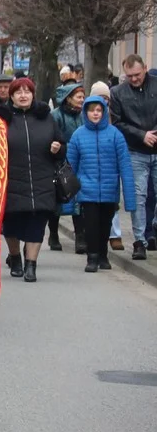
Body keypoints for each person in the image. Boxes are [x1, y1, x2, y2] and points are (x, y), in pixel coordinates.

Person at [0, 77, 64, 282]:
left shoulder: (46, 117)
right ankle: (15, 257)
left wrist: (57, 148)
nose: (23, 95)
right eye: (18, 92)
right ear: (12, 96)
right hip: (10, 180)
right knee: (11, 224)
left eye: (27, 91)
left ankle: (31, 265)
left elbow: (61, 144)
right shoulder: (1, 118)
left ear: (33, 94)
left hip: (41, 179)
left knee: (37, 224)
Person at [67, 96, 135, 272]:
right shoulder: (78, 135)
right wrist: (68, 194)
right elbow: (70, 166)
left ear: (104, 112)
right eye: (92, 110)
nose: (95, 114)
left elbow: (125, 167)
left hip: (109, 189)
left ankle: (103, 255)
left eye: (99, 110)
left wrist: (130, 198)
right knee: (90, 225)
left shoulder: (115, 135)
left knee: (105, 225)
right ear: (86, 112)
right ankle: (92, 257)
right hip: (87, 189)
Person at [108, 54, 157, 260]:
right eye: (129, 76)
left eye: (137, 74)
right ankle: (139, 241)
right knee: (138, 196)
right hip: (135, 150)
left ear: (145, 68)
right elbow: (118, 122)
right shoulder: (118, 93)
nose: (134, 79)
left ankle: (153, 228)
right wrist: (141, 135)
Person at [50, 83, 86, 254]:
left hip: (80, 162)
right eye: (78, 97)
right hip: (60, 162)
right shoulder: (56, 116)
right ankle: (53, 234)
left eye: (82, 96)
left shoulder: (83, 115)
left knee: (78, 200)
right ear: (68, 98)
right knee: (58, 199)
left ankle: (80, 236)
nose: (81, 100)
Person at [90, 80, 125, 250]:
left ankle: (114, 234)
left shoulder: (114, 118)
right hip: (91, 173)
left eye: (106, 98)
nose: (102, 102)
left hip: (110, 171)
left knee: (112, 204)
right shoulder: (88, 119)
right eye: (98, 98)